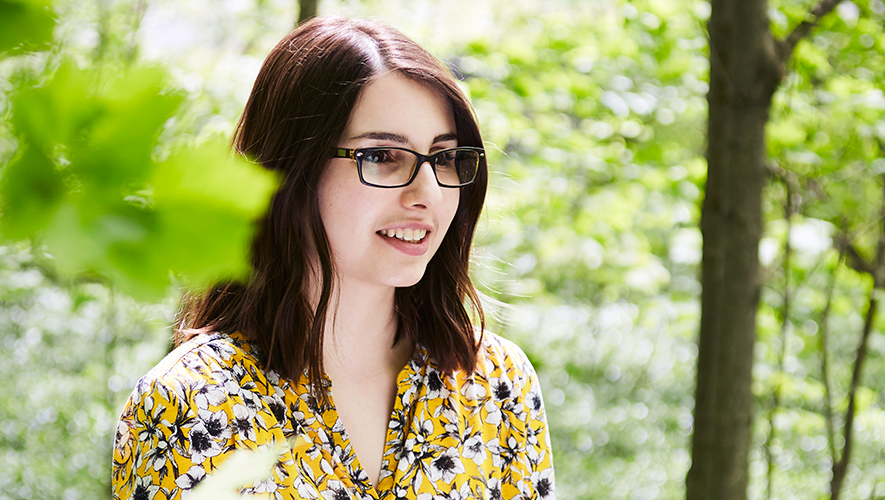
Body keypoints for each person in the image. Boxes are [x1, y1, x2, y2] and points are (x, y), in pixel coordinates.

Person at [111, 17, 554, 500]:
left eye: (444, 158)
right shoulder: (188, 402)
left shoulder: (496, 382)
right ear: (291, 169)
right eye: (383, 156)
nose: (428, 192)